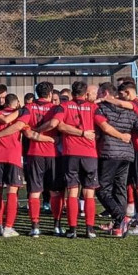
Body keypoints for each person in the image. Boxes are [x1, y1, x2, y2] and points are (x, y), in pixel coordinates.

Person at [94, 81, 138, 237]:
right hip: (129, 153)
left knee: (136, 188)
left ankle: (126, 219)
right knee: (124, 188)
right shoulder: (136, 108)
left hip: (120, 151)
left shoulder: (109, 107)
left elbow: (105, 126)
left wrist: (103, 100)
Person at [41, 81, 99, 238]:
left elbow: (59, 125)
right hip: (90, 154)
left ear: (72, 93)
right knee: (89, 192)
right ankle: (90, 229)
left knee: (72, 191)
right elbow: (103, 125)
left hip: (71, 153)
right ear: (86, 94)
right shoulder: (93, 107)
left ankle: (72, 229)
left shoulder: (64, 106)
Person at [0, 94, 37, 237]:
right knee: (12, 192)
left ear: (5, 103)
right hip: (13, 157)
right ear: (17, 103)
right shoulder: (20, 116)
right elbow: (28, 133)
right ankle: (8, 227)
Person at [20, 81, 61, 238]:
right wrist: (50, 139)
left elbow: (27, 132)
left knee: (35, 191)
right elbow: (58, 125)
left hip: (34, 153)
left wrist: (36, 132)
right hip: (53, 154)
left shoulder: (28, 108)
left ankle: (35, 227)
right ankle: (56, 226)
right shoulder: (56, 108)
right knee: (55, 191)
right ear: (50, 94)